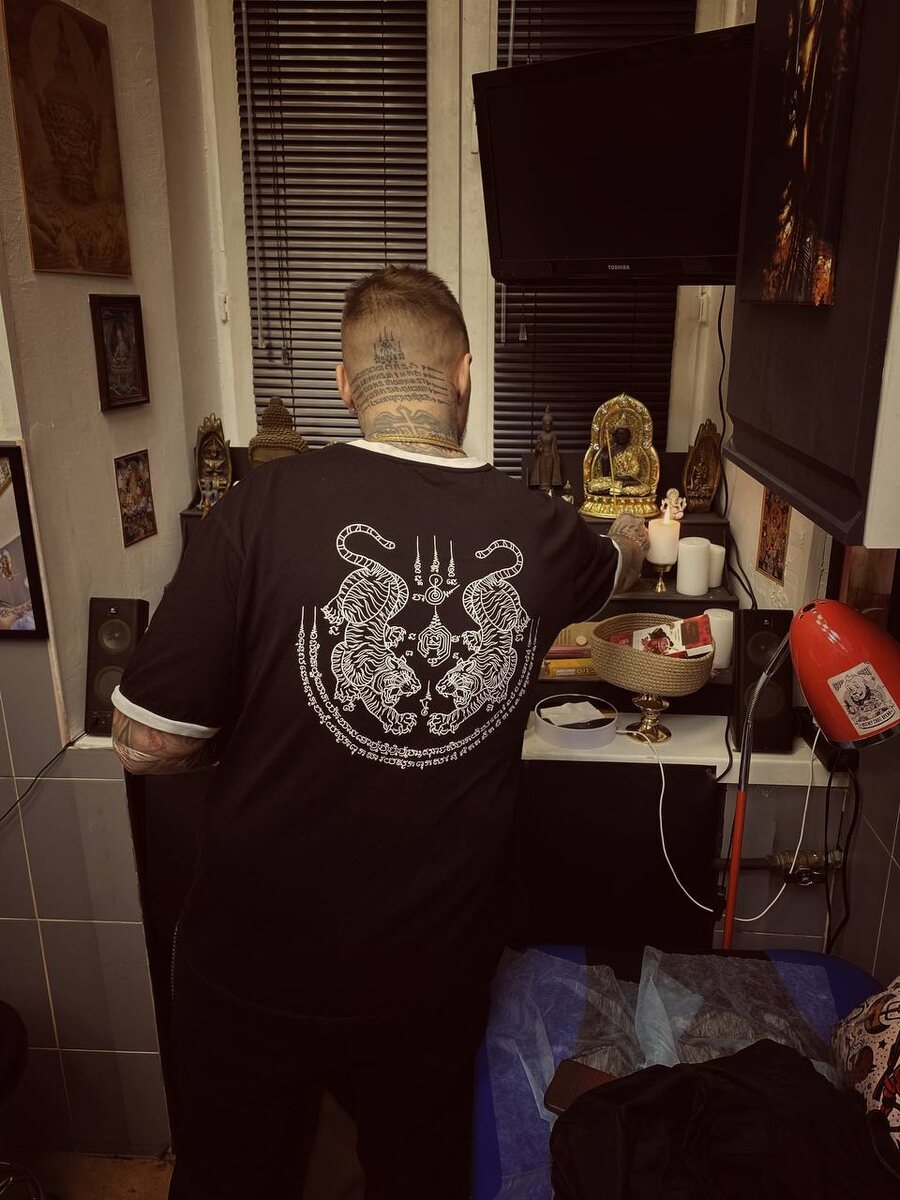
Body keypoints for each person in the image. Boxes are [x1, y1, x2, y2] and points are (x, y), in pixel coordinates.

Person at [111, 265, 649, 1200]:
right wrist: (636, 533)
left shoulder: (257, 506)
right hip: (424, 981)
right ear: (466, 373)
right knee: (415, 1178)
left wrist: (262, 726)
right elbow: (618, 563)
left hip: (252, 967)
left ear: (343, 384)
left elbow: (144, 742)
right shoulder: (543, 530)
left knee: (232, 1181)